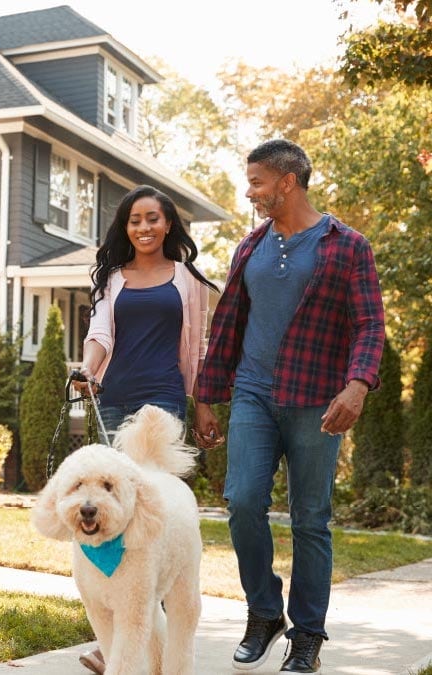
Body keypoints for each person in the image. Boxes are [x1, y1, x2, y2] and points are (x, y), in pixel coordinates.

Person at [194, 139, 385, 674]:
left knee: (310, 520)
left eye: (256, 181)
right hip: (254, 393)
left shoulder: (347, 245)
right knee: (243, 502)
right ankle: (263, 613)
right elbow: (228, 324)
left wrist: (358, 384)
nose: (249, 191)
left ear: (287, 182)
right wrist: (206, 394)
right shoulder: (250, 246)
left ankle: (307, 636)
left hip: (318, 400)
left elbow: (370, 323)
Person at [74, 184, 219, 675]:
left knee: (152, 516)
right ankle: (120, 640)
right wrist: (88, 370)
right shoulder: (113, 279)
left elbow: (197, 349)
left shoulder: (187, 279)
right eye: (135, 219)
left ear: (169, 223)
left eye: (153, 218)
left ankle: (143, 643)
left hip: (163, 400)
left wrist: (202, 406)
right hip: (114, 397)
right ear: (126, 226)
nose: (144, 227)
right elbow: (99, 334)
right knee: (114, 516)